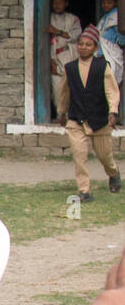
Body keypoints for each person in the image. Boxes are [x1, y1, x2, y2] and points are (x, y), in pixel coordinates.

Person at [56, 25, 121, 200]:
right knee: (79, 155)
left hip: (99, 120)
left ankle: (113, 174)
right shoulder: (70, 68)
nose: (83, 47)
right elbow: (64, 93)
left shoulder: (102, 66)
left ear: (95, 48)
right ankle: (84, 191)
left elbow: (111, 91)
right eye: (81, 44)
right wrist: (61, 112)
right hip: (76, 119)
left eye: (88, 45)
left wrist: (113, 111)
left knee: (105, 156)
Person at [47, 0, 81, 117]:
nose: (57, 5)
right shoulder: (48, 17)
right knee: (56, 90)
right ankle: (60, 116)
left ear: (66, 3)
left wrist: (56, 31)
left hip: (69, 56)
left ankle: (71, 117)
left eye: (60, 2)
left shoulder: (73, 19)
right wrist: (51, 60)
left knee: (71, 88)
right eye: (54, 2)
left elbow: (74, 35)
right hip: (54, 57)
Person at [96, 0, 124, 78]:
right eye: (104, 3)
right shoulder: (104, 17)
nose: (106, 5)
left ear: (115, 3)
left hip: (112, 52)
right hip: (102, 53)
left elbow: (122, 38)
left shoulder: (117, 15)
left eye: (109, 3)